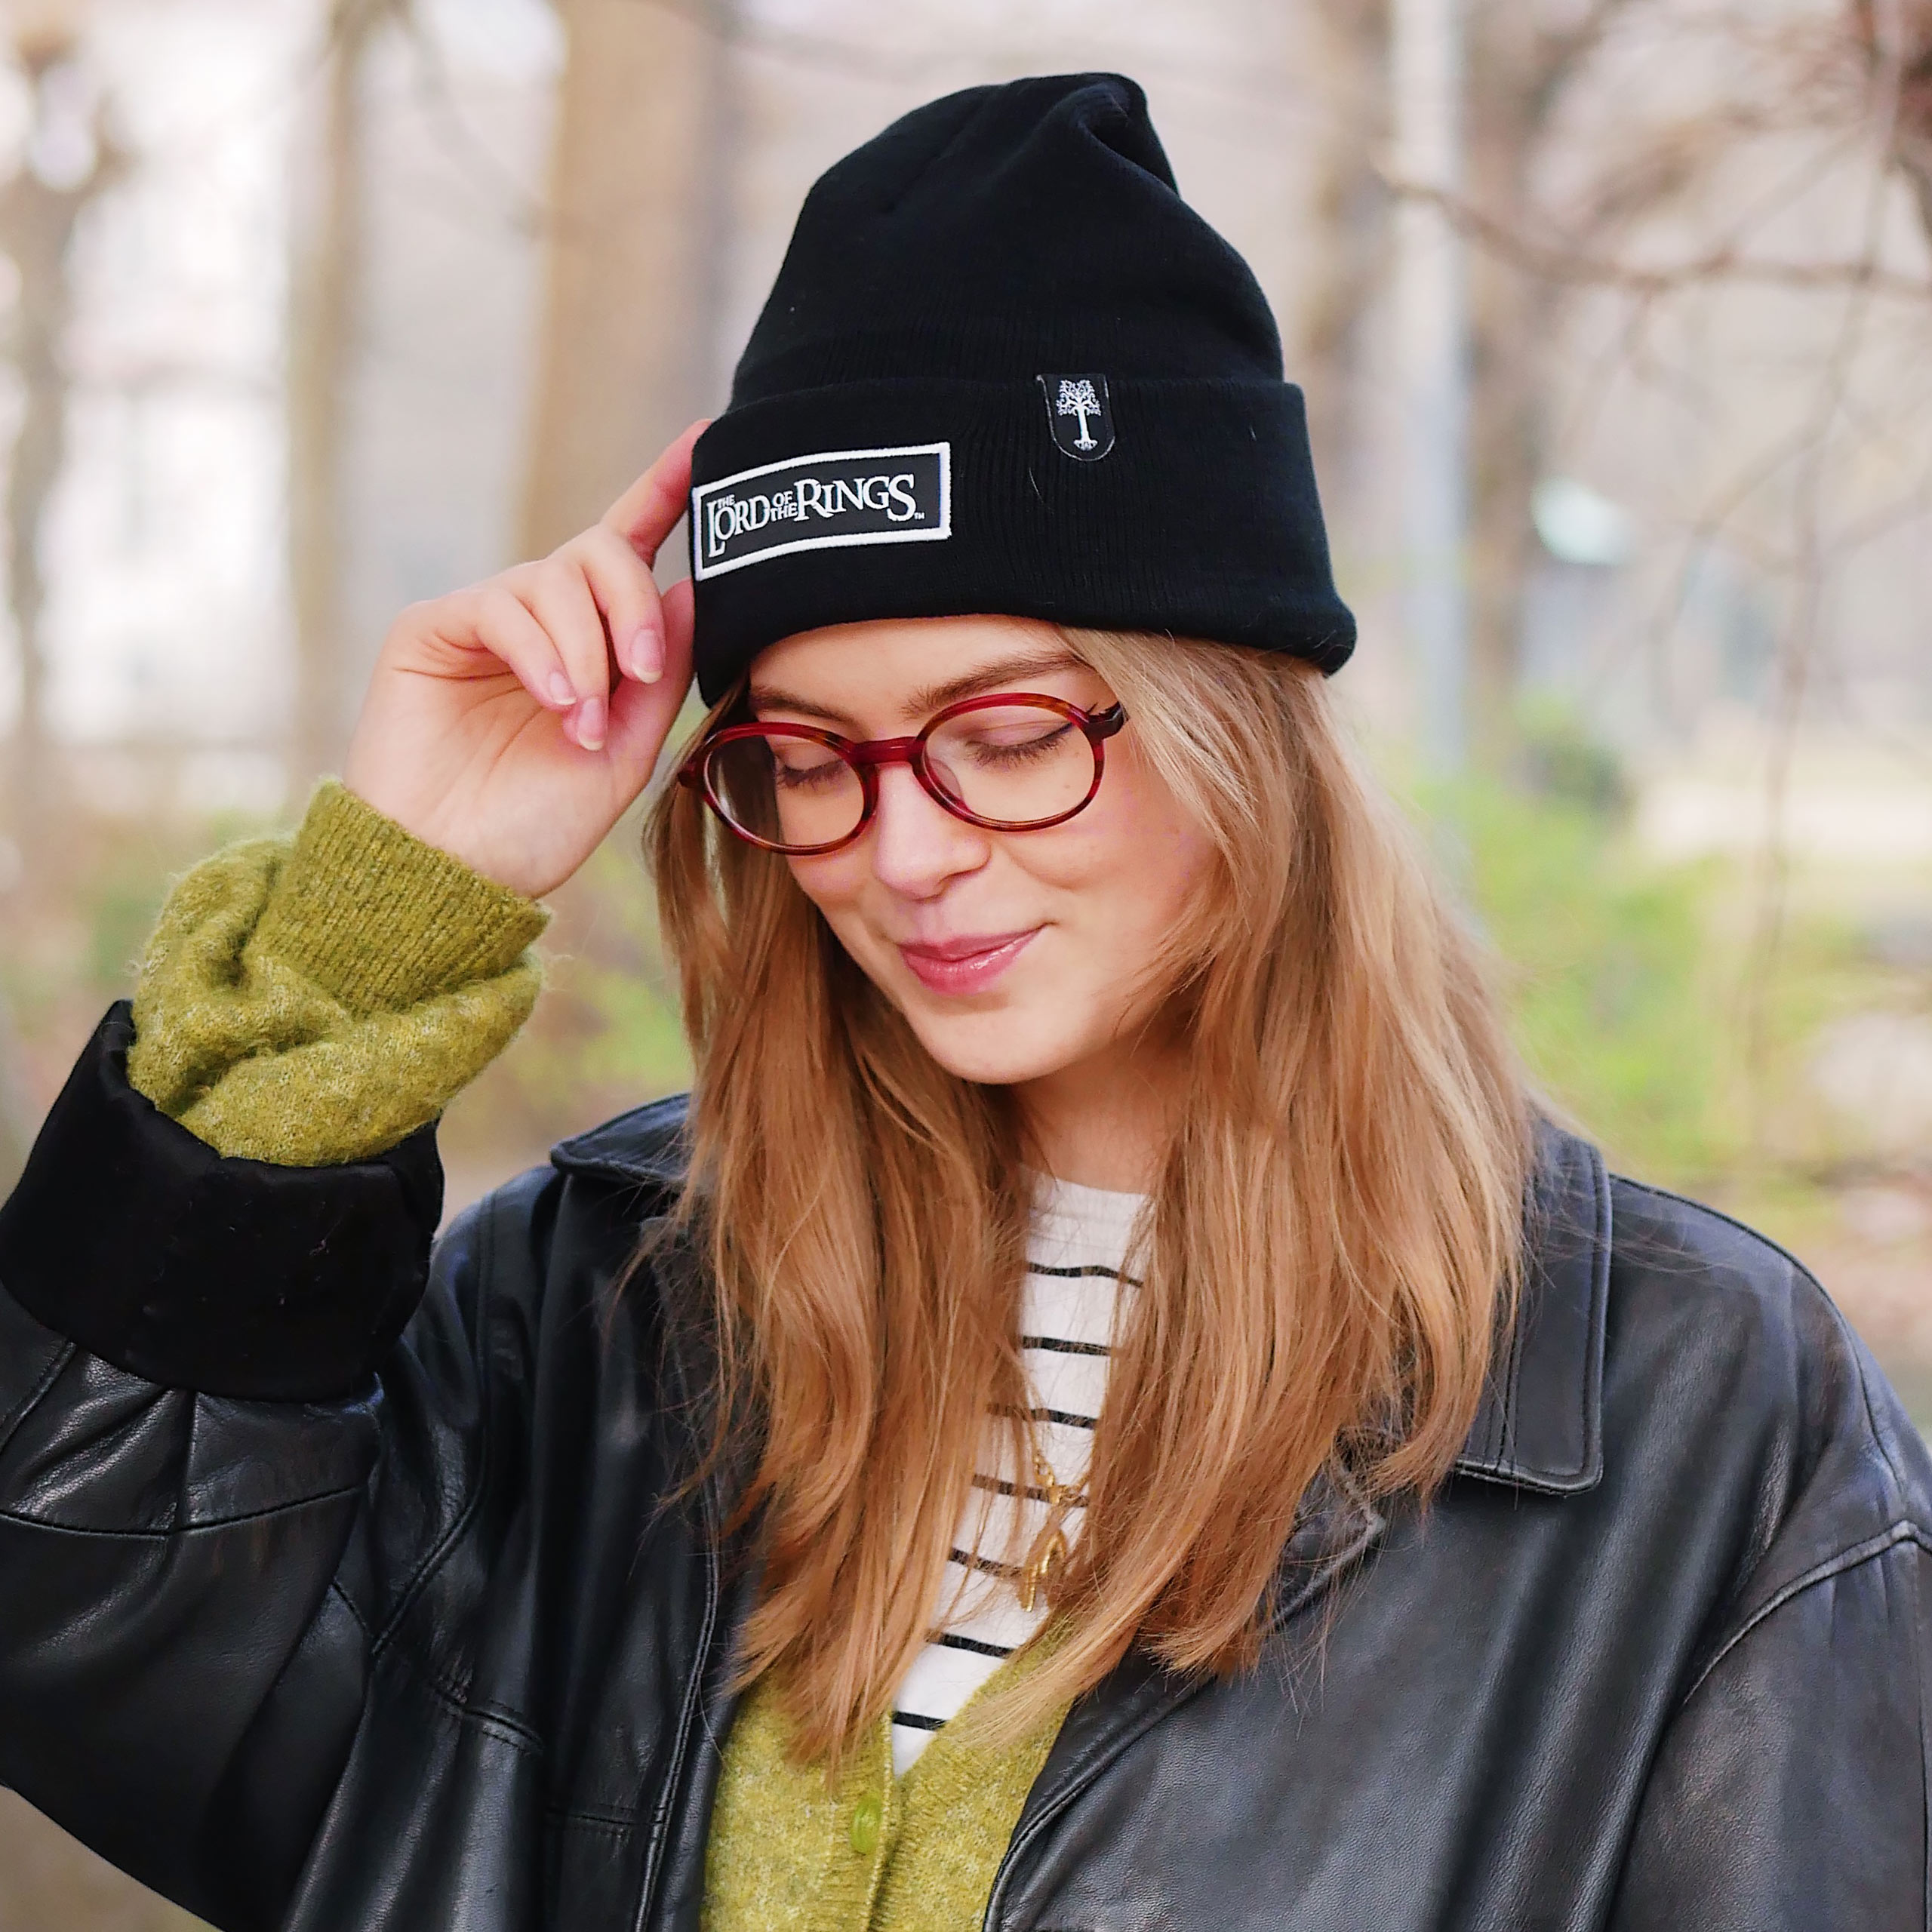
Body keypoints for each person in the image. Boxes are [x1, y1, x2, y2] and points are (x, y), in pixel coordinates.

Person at [0, 72, 1927, 1932]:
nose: (900, 854)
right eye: (805, 757)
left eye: (1002, 736)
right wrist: (378, 920)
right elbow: (77, 1621)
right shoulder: (603, 1306)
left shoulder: (1704, 1422)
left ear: (1228, 725)